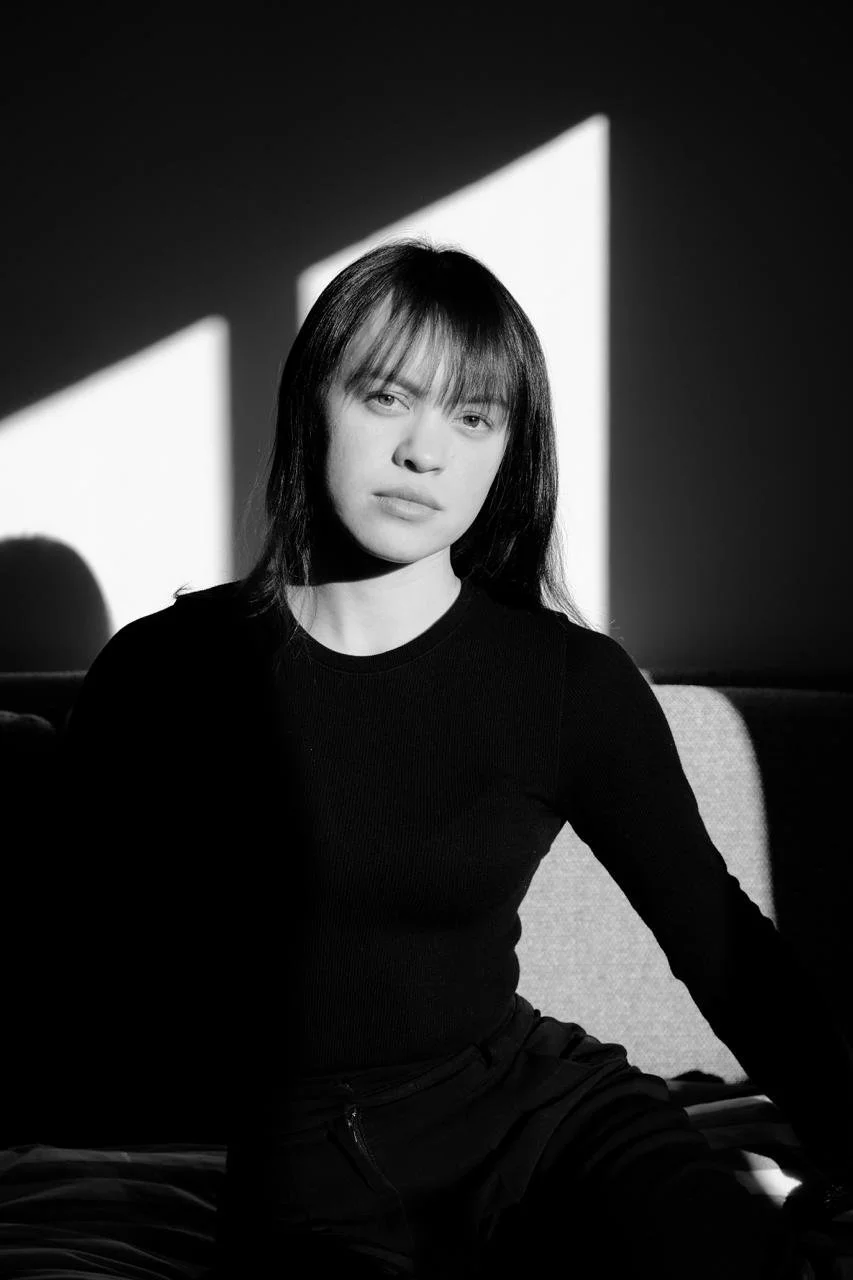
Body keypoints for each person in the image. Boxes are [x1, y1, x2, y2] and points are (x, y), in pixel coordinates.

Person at [60, 238, 853, 1278]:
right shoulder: (166, 673)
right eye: (387, 397)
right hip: (307, 1172)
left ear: (507, 451)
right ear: (314, 403)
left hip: (547, 1120)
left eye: (472, 417)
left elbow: (720, 940)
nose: (424, 453)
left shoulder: (566, 680)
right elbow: (69, 953)